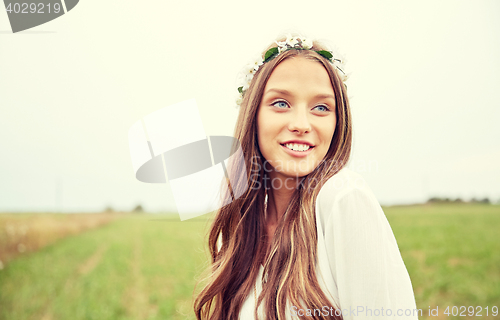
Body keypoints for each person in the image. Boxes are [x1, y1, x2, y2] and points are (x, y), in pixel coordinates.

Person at [194, 34, 418, 320]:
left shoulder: (343, 198)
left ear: (338, 122)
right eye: (281, 103)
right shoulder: (239, 226)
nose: (301, 124)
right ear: (253, 115)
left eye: (321, 108)